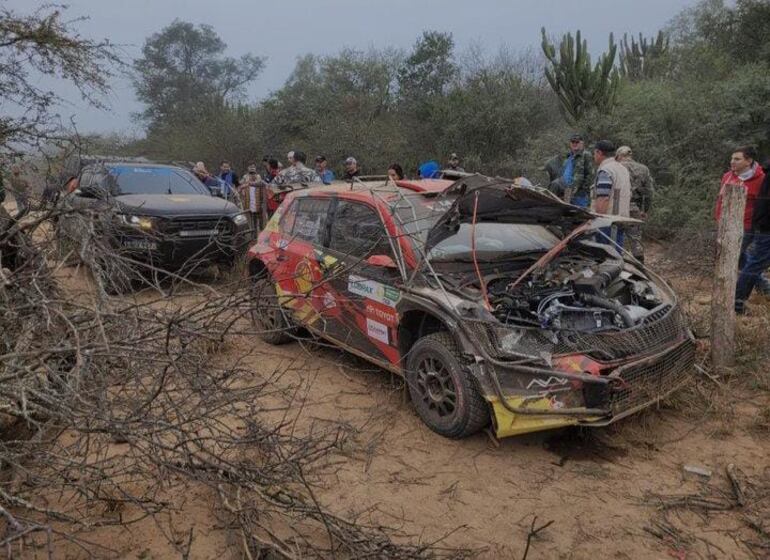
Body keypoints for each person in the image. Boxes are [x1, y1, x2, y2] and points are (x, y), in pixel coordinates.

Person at [715, 146, 768, 310]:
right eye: (732, 158)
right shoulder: (727, 176)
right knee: (739, 257)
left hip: (747, 225)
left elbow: (762, 204)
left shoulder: (761, 178)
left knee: (734, 256)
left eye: (737, 159)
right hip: (726, 224)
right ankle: (762, 285)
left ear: (749, 161)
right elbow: (720, 200)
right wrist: (718, 219)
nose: (732, 162)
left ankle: (735, 297)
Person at [735, 160, 770, 314]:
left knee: (754, 263)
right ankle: (736, 302)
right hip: (766, 225)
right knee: (755, 264)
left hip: (763, 223)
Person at [615, 146, 655, 262]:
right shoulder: (643, 169)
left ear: (618, 156)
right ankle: (640, 267)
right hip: (634, 207)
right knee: (635, 240)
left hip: (616, 207)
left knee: (615, 236)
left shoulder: (615, 167)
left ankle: (615, 265)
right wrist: (644, 210)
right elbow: (649, 192)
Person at [592, 141, 632, 251]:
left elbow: (603, 198)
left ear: (599, 152)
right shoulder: (622, 169)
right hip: (621, 218)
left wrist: (597, 221)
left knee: (605, 256)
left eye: (594, 153)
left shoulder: (606, 170)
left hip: (607, 222)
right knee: (616, 255)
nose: (594, 156)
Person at [545, 133, 594, 207]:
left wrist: (582, 189)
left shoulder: (586, 155)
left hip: (579, 195)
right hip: (566, 192)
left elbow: (590, 175)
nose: (574, 144)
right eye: (572, 142)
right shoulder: (569, 157)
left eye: (577, 142)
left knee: (580, 214)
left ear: (582, 143)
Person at [239, 162, 266, 236]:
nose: (252, 175)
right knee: (251, 221)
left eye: (253, 168)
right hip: (249, 203)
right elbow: (239, 187)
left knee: (261, 222)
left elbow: (263, 189)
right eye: (250, 173)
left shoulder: (259, 177)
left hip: (259, 204)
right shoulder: (245, 178)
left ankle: (262, 235)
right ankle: (253, 236)